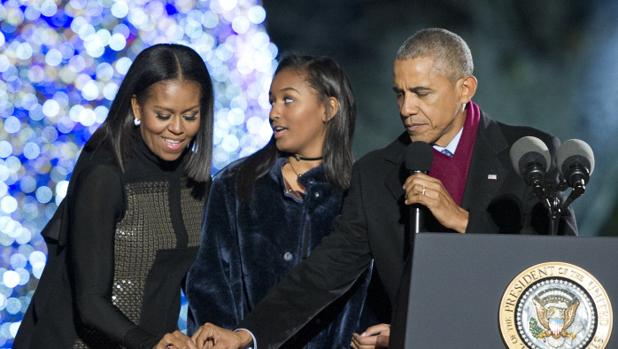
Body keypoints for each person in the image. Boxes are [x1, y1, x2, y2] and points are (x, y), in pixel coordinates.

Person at [191, 28, 578, 349]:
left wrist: (463, 221)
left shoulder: (529, 155)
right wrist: (247, 333)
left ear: (465, 88)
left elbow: (561, 269)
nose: (406, 107)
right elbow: (325, 272)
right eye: (400, 93)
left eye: (421, 93)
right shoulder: (377, 173)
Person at [14, 43, 214, 349]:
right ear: (137, 107)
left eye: (190, 116)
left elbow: (193, 279)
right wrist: (148, 344)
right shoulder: (106, 175)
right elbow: (90, 303)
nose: (176, 129)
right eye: (163, 115)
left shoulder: (197, 180)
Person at [186, 55, 372, 348]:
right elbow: (210, 283)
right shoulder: (235, 184)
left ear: (328, 108)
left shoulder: (358, 193)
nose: (274, 112)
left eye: (288, 100)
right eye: (272, 101)